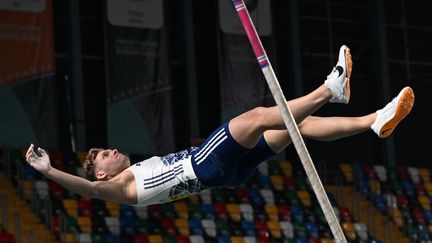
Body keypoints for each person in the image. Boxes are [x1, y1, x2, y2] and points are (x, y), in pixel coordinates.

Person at [25, 45, 415, 206]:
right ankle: (331, 89)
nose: (108, 152)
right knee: (257, 117)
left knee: (299, 127)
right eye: (102, 158)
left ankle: (374, 119)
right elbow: (88, 189)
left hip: (224, 174)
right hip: (204, 164)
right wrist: (49, 170)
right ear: (102, 174)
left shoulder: (134, 173)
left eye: (105, 150)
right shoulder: (119, 186)